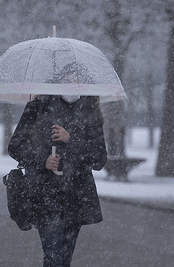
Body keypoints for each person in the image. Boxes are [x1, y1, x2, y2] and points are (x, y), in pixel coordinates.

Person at [8, 93, 107, 267]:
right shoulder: (38, 106)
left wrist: (72, 139)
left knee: (64, 259)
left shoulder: (89, 110)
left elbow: (99, 159)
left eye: (77, 77)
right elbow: (15, 146)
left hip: (76, 197)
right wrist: (43, 160)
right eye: (67, 76)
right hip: (46, 195)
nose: (72, 82)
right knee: (53, 257)